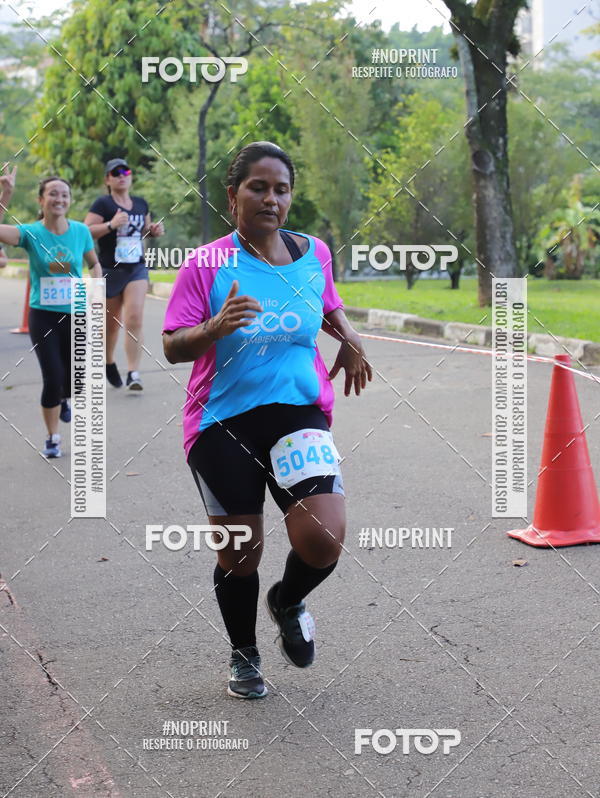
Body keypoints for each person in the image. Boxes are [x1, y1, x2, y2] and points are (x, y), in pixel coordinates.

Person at [162, 141, 372, 699]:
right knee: (240, 552)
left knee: (324, 536)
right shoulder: (205, 264)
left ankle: (287, 599)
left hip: (298, 411)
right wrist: (213, 329)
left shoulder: (314, 253)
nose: (270, 199)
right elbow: (172, 346)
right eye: (258, 187)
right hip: (221, 421)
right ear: (233, 196)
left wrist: (348, 339)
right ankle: (244, 653)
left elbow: (326, 305)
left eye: (281, 189)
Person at [0, 167, 102, 458]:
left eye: (64, 194)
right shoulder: (30, 233)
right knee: (53, 376)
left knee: (75, 380)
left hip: (77, 313)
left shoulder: (81, 231)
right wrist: (5, 194)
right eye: (53, 194)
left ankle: (64, 397)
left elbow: (94, 264)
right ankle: (53, 437)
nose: (59, 199)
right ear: (41, 200)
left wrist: (96, 294)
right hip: (43, 314)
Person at [84, 158, 164, 391]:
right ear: (108, 179)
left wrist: (153, 231)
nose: (122, 175)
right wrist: (111, 225)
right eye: (115, 172)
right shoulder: (102, 204)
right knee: (109, 327)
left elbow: (144, 231)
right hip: (109, 268)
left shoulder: (141, 204)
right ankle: (109, 363)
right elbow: (85, 232)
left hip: (135, 268)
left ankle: (133, 373)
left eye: (126, 171)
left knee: (134, 318)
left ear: (131, 176)